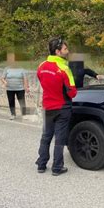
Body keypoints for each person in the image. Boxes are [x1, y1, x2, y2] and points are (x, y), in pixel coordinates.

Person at [35, 37, 77, 176]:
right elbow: (72, 92)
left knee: (46, 136)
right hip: (62, 107)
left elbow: (41, 81)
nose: (68, 51)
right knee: (59, 138)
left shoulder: (41, 66)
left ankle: (41, 164)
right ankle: (57, 167)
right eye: (65, 49)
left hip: (47, 106)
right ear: (58, 51)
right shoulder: (65, 68)